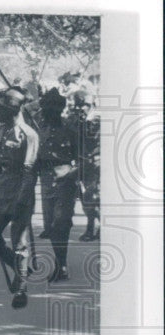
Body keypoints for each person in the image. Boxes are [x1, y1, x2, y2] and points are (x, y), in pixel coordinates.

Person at [0, 89, 39, 308]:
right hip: (0, 194)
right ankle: (19, 269)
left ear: (13, 110)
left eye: (1, 109)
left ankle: (21, 289)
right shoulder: (2, 130)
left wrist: (22, 200)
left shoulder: (28, 134)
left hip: (19, 196)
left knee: (19, 244)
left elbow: (29, 171)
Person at [35, 88, 79, 281]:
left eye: (52, 107)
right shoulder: (40, 130)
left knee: (61, 223)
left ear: (60, 108)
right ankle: (59, 261)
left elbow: (83, 158)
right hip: (46, 181)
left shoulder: (71, 128)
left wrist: (72, 175)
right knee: (51, 226)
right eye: (45, 107)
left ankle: (61, 265)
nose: (47, 110)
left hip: (66, 182)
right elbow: (35, 157)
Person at [70, 91, 100, 242]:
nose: (82, 108)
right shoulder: (78, 119)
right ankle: (96, 228)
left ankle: (92, 229)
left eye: (86, 105)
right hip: (82, 163)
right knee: (85, 198)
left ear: (93, 105)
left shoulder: (96, 119)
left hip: (95, 163)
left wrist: (84, 122)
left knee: (92, 197)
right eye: (79, 105)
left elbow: (93, 139)